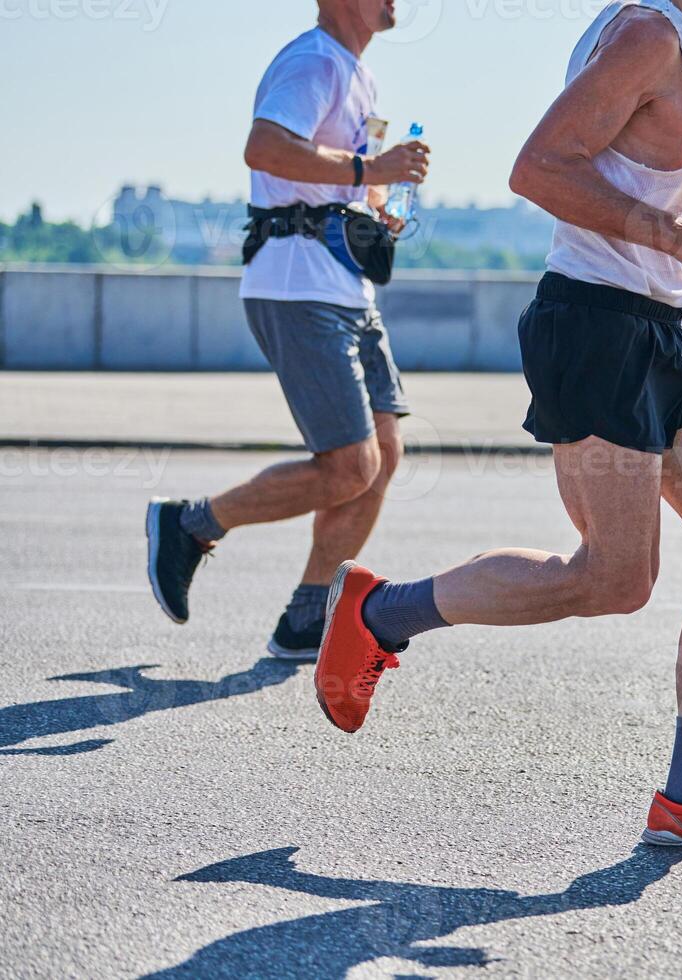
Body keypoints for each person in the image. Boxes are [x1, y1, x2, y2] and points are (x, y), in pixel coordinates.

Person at [313, 0, 682, 849]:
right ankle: (380, 615)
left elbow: (664, 171)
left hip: (667, 327)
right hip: (595, 326)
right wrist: (680, 239)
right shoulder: (647, 34)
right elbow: (541, 169)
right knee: (612, 578)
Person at [145, 0, 431, 661]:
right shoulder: (313, 60)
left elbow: (317, 174)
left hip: (345, 287)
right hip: (297, 287)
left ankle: (306, 618)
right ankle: (190, 524)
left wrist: (374, 205)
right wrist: (370, 171)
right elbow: (266, 147)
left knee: (382, 460)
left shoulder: (359, 74)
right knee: (348, 466)